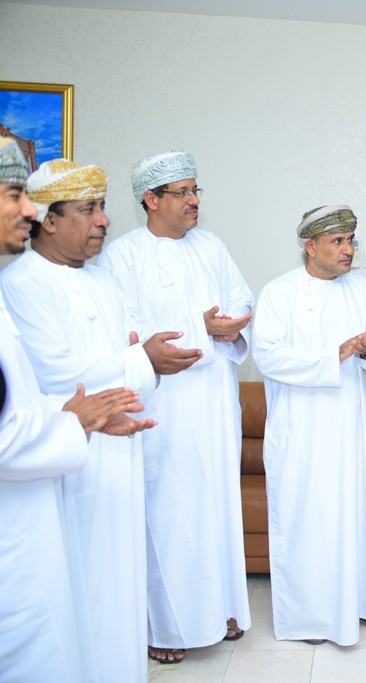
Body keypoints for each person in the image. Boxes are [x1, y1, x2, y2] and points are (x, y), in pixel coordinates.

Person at [0, 157, 200, 681]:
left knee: (119, 581)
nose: (104, 221)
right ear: (49, 219)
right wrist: (140, 360)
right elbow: (54, 372)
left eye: (103, 207)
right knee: (80, 586)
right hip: (64, 464)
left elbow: (132, 349)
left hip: (119, 451)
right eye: (88, 210)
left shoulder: (103, 280)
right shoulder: (22, 284)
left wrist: (144, 357)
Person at [97, 149, 254, 664]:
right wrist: (200, 326)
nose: (193, 201)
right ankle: (165, 627)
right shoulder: (122, 256)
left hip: (215, 402)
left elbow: (241, 298)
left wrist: (232, 325)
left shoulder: (211, 245)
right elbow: (128, 331)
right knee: (168, 511)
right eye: (182, 192)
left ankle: (222, 609)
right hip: (162, 406)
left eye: (195, 191)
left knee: (217, 506)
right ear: (150, 199)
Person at [253, 204, 366, 645]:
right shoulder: (279, 292)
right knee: (309, 519)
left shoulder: (363, 289)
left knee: (355, 513)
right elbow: (268, 356)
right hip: (302, 429)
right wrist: (334, 354)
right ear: (310, 246)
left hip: (351, 424)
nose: (348, 249)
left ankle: (363, 603)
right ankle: (310, 617)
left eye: (351, 240)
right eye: (338, 241)